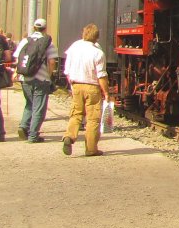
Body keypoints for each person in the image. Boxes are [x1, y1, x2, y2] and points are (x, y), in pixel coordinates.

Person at [62, 23, 111, 157]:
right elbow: (101, 75)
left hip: (76, 85)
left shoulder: (74, 48)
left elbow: (67, 70)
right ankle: (91, 149)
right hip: (92, 87)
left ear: (83, 34)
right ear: (97, 37)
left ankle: (69, 136)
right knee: (93, 119)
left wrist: (72, 85)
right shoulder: (98, 52)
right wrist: (106, 92)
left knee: (76, 114)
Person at [13, 18, 59, 143]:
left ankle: (23, 126)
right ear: (45, 29)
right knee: (39, 107)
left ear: (34, 27)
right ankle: (33, 135)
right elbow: (52, 62)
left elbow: (17, 59)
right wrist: (49, 76)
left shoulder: (24, 41)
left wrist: (17, 74)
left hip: (24, 78)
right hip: (41, 78)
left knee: (29, 103)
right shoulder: (48, 42)